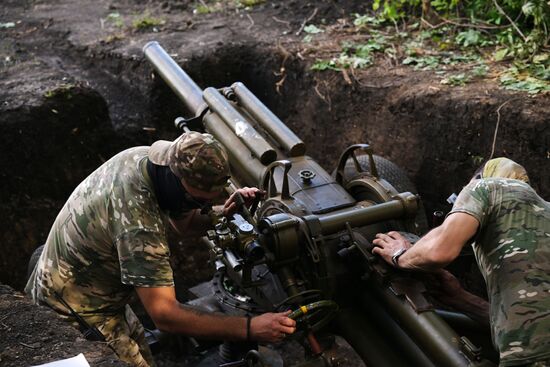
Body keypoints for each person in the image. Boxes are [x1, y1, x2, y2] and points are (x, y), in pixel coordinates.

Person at [25, 131, 296, 367]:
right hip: (74, 311)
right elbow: (165, 315)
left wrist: (221, 214)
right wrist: (249, 328)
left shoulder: (150, 161)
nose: (200, 205)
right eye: (197, 200)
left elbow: (184, 225)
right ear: (176, 181)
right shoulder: (140, 226)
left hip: (97, 289)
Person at [372, 157, 550, 367]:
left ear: (476, 179)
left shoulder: (484, 187)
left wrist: (400, 255)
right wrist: (460, 299)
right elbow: (528, 315)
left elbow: (439, 252)